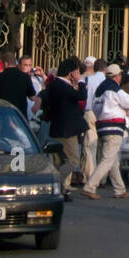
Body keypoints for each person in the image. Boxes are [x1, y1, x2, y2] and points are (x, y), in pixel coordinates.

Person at [81, 63, 129, 200]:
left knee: (113, 160)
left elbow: (94, 107)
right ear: (117, 76)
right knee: (107, 159)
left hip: (102, 126)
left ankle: (120, 189)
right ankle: (90, 186)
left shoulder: (100, 89)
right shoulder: (115, 89)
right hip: (114, 127)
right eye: (120, 75)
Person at [45, 57, 87, 201]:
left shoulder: (54, 84)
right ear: (71, 72)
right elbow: (81, 96)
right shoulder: (62, 85)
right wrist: (80, 81)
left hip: (58, 127)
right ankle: (55, 184)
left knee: (60, 161)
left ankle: (61, 190)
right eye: (76, 71)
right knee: (72, 160)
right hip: (66, 130)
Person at [0, 51, 41, 119]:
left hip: (3, 116)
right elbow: (32, 97)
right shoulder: (25, 77)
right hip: (19, 117)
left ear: (5, 64)